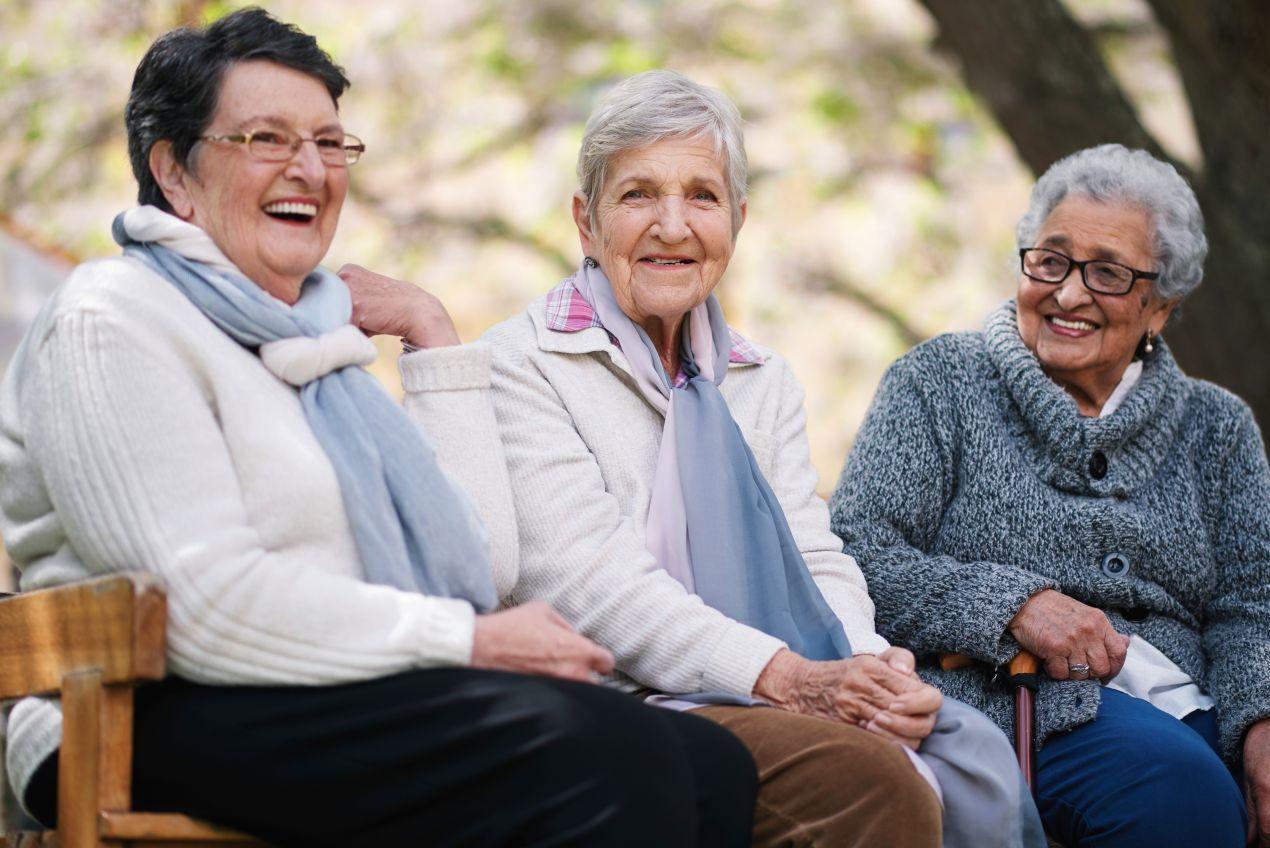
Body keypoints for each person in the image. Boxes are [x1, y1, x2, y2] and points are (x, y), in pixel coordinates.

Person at [0, 12, 759, 847]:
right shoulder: (114, 321)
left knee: (709, 763)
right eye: (267, 138)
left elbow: (478, 562)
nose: (309, 169)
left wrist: (433, 339)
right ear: (174, 171)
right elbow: (199, 606)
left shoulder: (310, 344)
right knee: (610, 748)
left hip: (332, 687)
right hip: (148, 707)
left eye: (330, 143)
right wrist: (462, 640)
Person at [348, 69, 1043, 848]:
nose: (673, 227)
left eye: (702, 197)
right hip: (623, 697)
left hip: (775, 683)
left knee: (963, 758)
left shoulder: (758, 375)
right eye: (639, 194)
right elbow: (591, 587)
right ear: (586, 220)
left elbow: (813, 555)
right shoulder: (524, 362)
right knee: (868, 779)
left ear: (737, 221)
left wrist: (869, 671)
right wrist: (792, 679)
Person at [830, 143, 1270, 847]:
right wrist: (1015, 606)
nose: (1068, 293)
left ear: (1160, 307)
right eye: (1052, 261)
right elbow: (857, 555)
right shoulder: (940, 382)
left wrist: (1261, 725)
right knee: (1171, 791)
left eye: (1107, 273)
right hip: (1017, 698)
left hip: (1196, 702)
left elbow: (1251, 610)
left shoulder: (1218, 427)